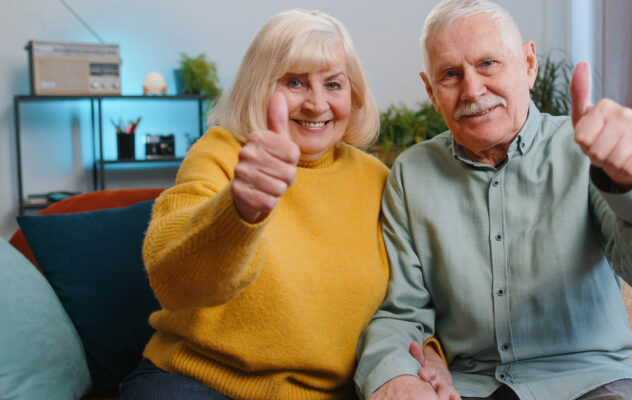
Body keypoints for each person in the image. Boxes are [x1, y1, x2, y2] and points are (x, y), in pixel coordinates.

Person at [354, 1, 632, 399]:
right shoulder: (411, 174)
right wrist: (394, 375)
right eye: (451, 74)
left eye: (488, 64)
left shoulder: (587, 149)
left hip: (594, 382)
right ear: (432, 91)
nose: (472, 90)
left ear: (528, 64)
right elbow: (401, 312)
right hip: (470, 387)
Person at [119, 9, 443, 400]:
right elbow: (172, 280)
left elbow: (410, 297)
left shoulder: (376, 179)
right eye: (295, 82)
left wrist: (427, 351)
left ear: (354, 93)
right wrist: (240, 209)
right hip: (197, 379)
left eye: (334, 84)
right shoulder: (221, 153)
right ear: (260, 86)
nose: (317, 103)